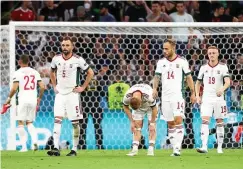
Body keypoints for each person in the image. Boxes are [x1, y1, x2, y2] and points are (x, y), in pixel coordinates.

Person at [47, 37, 94, 156]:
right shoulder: (56, 58)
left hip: (73, 95)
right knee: (57, 120)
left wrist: (83, 87)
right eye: (63, 45)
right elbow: (51, 72)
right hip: (60, 95)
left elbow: (91, 72)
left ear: (72, 47)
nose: (65, 47)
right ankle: (56, 148)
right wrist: (54, 86)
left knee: (75, 123)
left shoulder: (78, 60)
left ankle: (74, 149)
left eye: (67, 45)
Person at [152, 39, 196, 156]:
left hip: (178, 96)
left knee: (178, 120)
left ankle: (177, 148)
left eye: (166, 49)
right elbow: (157, 77)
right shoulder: (161, 62)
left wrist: (193, 93)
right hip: (165, 97)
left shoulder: (182, 61)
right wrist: (154, 88)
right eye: (163, 48)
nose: (164, 51)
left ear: (173, 48)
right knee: (170, 123)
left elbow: (189, 78)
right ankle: (174, 148)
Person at [1, 54, 45, 152]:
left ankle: (24, 147)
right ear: (28, 61)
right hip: (33, 99)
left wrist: (8, 99)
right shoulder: (35, 72)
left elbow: (14, 88)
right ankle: (34, 143)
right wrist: (39, 98)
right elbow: (42, 87)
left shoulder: (17, 73)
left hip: (23, 99)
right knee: (29, 122)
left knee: (20, 122)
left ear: (19, 62)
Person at [195, 46, 230, 154]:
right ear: (207, 54)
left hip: (219, 99)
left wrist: (222, 89)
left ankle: (219, 147)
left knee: (220, 122)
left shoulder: (223, 67)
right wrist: (197, 96)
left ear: (218, 54)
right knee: (205, 121)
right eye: (210, 53)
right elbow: (198, 83)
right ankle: (204, 146)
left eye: (214, 53)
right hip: (206, 98)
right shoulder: (203, 68)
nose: (212, 55)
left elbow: (228, 82)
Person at [123, 84, 158, 156]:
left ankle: (151, 150)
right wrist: (132, 121)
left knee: (151, 127)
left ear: (141, 102)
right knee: (136, 127)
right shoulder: (127, 96)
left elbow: (154, 109)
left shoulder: (149, 96)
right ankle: (134, 150)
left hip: (150, 107)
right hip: (138, 108)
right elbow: (125, 107)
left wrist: (152, 123)